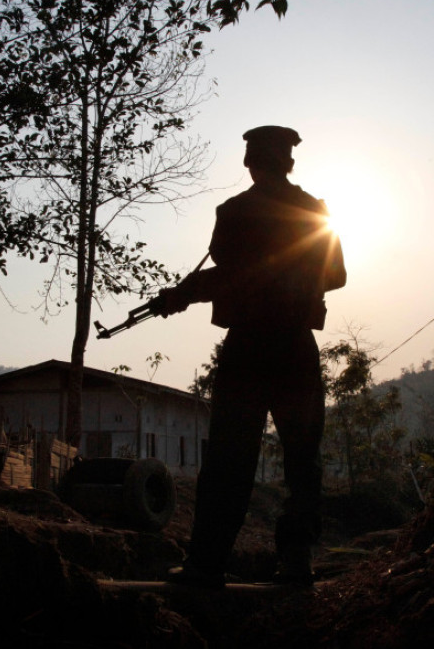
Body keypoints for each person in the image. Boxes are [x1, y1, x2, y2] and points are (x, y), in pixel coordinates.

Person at [154, 125, 346, 588]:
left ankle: (206, 565)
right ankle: (297, 563)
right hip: (296, 348)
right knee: (303, 462)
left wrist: (182, 295)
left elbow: (229, 275)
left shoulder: (234, 212)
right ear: (290, 163)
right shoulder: (316, 212)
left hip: (248, 349)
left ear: (250, 164)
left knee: (227, 461)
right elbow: (337, 275)